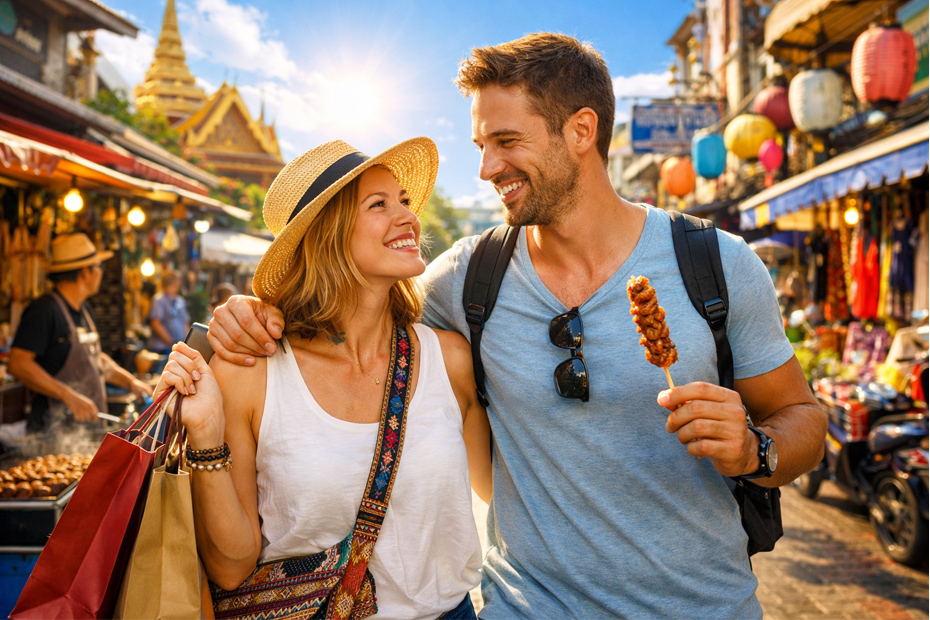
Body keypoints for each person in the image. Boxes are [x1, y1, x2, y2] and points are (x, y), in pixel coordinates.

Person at [208, 34, 826, 619]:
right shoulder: (467, 279)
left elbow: (804, 420)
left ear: (581, 130)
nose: (486, 167)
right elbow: (349, 305)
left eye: (505, 141)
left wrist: (754, 448)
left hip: (705, 606)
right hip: (521, 606)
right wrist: (259, 315)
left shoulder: (716, 265)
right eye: (481, 145)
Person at [156, 137, 490, 619]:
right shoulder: (252, 374)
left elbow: (503, 488)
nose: (408, 217)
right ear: (328, 236)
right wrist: (205, 434)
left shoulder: (449, 358)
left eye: (404, 201)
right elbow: (231, 569)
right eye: (379, 204)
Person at [9, 233, 153, 433]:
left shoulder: (84, 309)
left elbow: (95, 358)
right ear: (86, 273)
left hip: (86, 430)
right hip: (52, 430)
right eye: (99, 267)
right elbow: (18, 363)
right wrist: (69, 396)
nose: (101, 273)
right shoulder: (44, 310)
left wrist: (131, 382)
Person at [147, 271, 190, 355]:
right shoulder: (158, 300)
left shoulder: (180, 300)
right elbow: (155, 323)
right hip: (162, 348)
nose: (179, 283)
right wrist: (170, 342)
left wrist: (187, 342)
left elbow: (185, 323)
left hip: (177, 347)